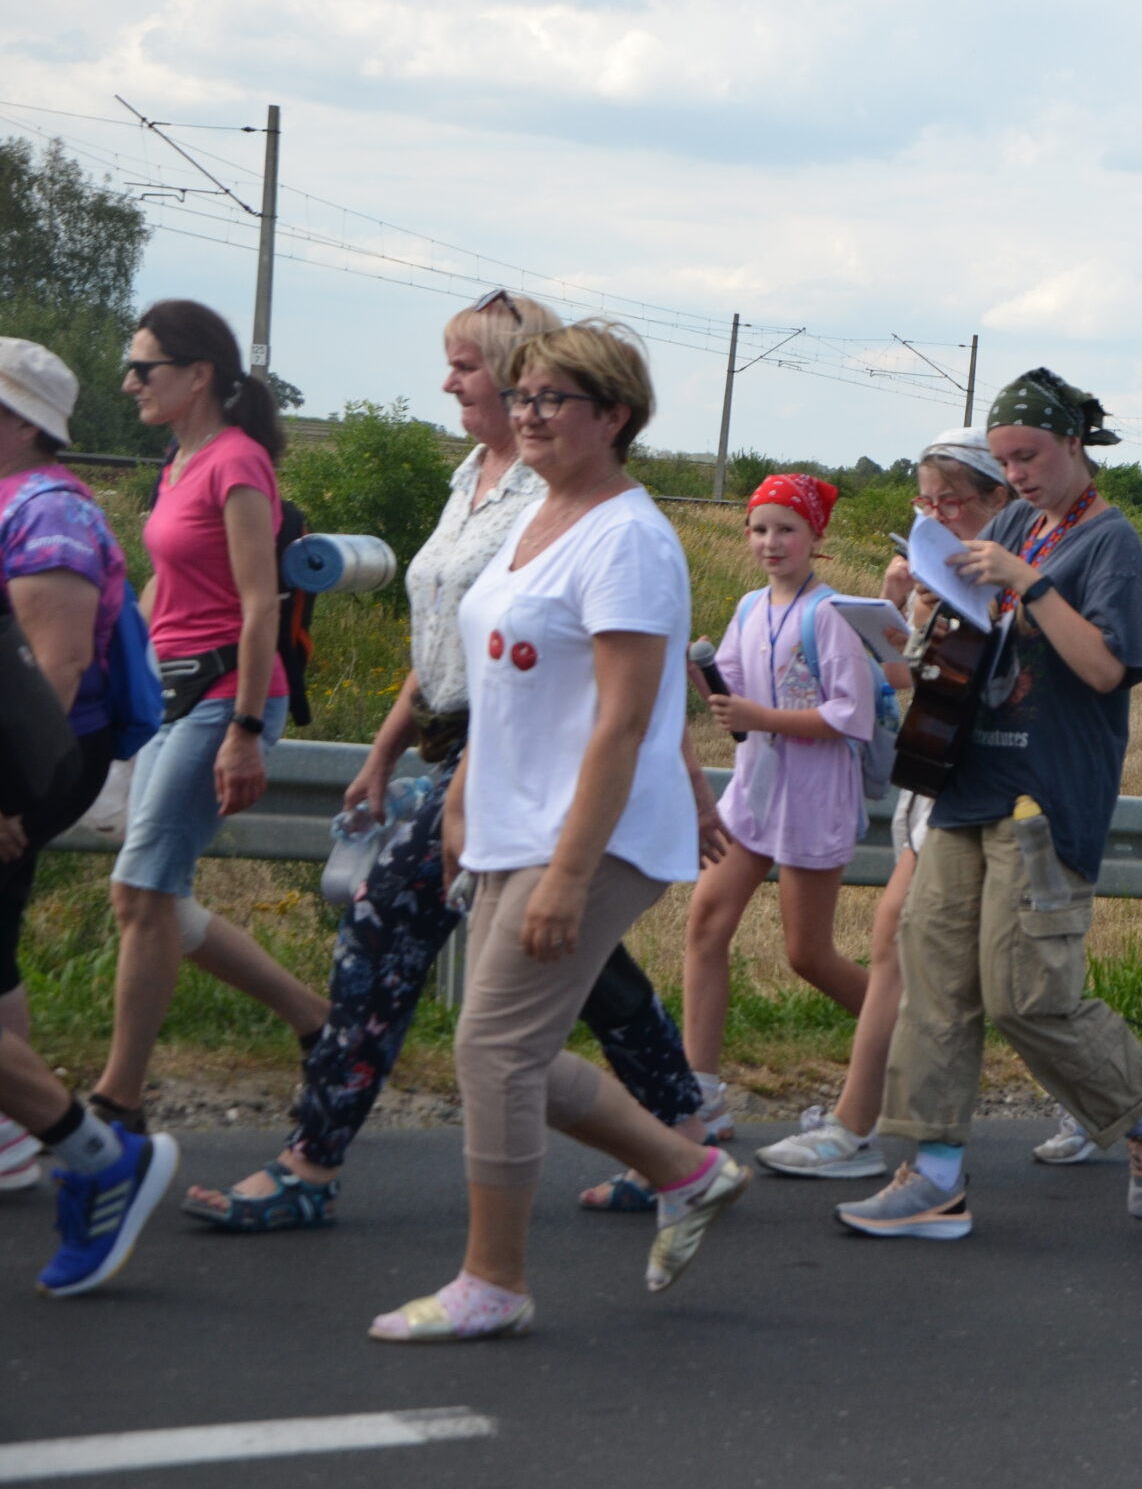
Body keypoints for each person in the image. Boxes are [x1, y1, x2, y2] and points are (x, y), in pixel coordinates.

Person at [182, 290, 713, 1232]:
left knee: (393, 931)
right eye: (483, 378)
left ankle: (315, 1162)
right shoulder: (477, 480)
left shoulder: (572, 505)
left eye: (470, 367)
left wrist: (682, 781)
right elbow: (450, 633)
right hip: (473, 757)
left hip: (521, 758)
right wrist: (386, 748)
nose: (454, 384)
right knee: (568, 973)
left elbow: (631, 681)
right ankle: (679, 1138)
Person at [370, 321, 746, 1343]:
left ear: (613, 416)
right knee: (507, 1049)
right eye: (523, 396)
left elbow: (625, 720)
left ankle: (493, 1281)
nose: (529, 414)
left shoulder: (628, 540)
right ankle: (687, 1167)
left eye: (553, 399)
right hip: (513, 815)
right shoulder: (539, 514)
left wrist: (571, 876)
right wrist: (462, 798)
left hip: (593, 830)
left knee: (494, 1047)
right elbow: (502, 678)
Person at [837, 369, 1142, 1240]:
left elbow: (1107, 668)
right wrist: (927, 609)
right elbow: (971, 637)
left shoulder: (1110, 541)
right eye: (1004, 460)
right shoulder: (1011, 524)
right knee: (936, 985)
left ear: (1074, 444)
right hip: (966, 782)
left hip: (1046, 795)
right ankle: (933, 1176)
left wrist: (1029, 585)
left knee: (1024, 996)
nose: (1017, 475)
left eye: (1029, 456)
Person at [756, 430, 1021, 1180]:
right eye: (925, 503)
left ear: (997, 501)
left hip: (987, 785)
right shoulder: (952, 574)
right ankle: (860, 1122)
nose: (936, 517)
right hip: (935, 779)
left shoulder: (1020, 573)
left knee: (1010, 981)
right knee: (916, 950)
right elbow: (919, 679)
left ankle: (1131, 1104)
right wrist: (902, 612)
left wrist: (957, 609)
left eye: (951, 502)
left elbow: (1004, 682)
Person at [93, 301, 328, 1135]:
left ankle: (118, 1100)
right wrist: (117, 670)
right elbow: (168, 583)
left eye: (143, 368)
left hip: (227, 698)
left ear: (197, 375)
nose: (130, 382)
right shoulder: (180, 460)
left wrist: (246, 733)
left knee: (142, 891)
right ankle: (316, 1020)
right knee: (152, 896)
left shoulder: (237, 463)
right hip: (170, 694)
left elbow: (261, 604)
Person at [0, 335, 176, 1296]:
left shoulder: (50, 514)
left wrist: (7, 796)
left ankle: (93, 1155)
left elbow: (55, 670)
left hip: (29, 764)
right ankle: (45, 1143)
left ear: (24, 422)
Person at [682, 472, 879, 1121]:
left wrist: (759, 716)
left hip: (814, 797)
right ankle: (700, 1095)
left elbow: (851, 715)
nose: (771, 542)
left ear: (815, 537)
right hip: (754, 792)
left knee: (808, 954)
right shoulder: (748, 608)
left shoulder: (832, 615)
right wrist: (695, 669)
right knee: (706, 924)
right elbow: (733, 700)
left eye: (786, 529)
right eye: (760, 529)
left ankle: (908, 1032)